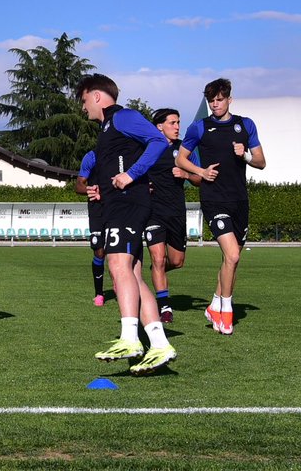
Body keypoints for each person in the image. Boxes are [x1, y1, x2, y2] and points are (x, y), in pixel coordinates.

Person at [76, 73, 175, 375]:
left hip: (128, 205)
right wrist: (99, 189)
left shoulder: (123, 117)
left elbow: (158, 141)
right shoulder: (107, 128)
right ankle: (159, 343)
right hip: (119, 204)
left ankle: (130, 338)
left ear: (96, 95)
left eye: (83, 101)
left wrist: (132, 175)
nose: (83, 108)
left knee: (117, 267)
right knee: (132, 275)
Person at [174, 78, 266, 335]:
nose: (215, 104)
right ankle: (226, 312)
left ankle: (215, 305)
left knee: (231, 260)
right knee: (233, 254)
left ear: (229, 99)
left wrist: (245, 154)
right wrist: (201, 171)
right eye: (211, 100)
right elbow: (181, 159)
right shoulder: (199, 128)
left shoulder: (245, 125)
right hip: (214, 200)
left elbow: (261, 161)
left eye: (219, 99)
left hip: (240, 201)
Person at [145, 108, 201, 323]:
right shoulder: (147, 148)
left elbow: (200, 178)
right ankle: (165, 307)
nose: (177, 127)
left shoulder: (184, 150)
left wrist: (186, 174)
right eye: (172, 123)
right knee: (158, 258)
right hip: (152, 212)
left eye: (178, 122)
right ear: (160, 126)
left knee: (176, 261)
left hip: (176, 212)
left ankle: (156, 270)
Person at [74, 151, 107, 307]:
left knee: (116, 252)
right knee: (99, 251)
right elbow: (79, 185)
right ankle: (99, 293)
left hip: (117, 207)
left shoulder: (124, 154)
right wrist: (90, 190)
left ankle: (120, 284)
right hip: (96, 209)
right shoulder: (92, 156)